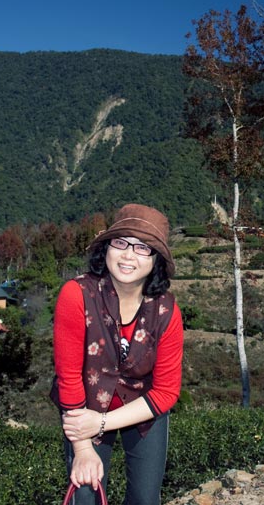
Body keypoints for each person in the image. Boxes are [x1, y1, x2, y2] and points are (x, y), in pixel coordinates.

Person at [51, 203, 184, 504]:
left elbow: (166, 391)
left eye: (142, 248)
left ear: (156, 260)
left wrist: (101, 423)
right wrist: (83, 447)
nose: (128, 255)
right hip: (83, 407)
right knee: (87, 493)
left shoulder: (166, 312)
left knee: (145, 498)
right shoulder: (77, 295)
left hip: (142, 407)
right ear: (106, 248)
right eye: (121, 243)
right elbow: (69, 377)